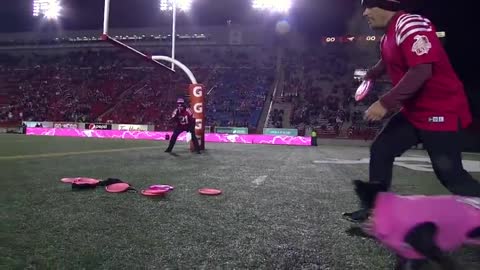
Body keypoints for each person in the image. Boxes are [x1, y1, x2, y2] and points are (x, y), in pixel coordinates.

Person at [343, 0, 480, 223]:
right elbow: (388, 59)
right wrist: (372, 74)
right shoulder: (389, 34)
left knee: (450, 175)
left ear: (386, 5)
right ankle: (375, 210)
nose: (365, 12)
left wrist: (385, 103)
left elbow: (421, 70)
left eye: (369, 5)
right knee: (381, 149)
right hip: (415, 112)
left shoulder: (411, 23)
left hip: (441, 110)